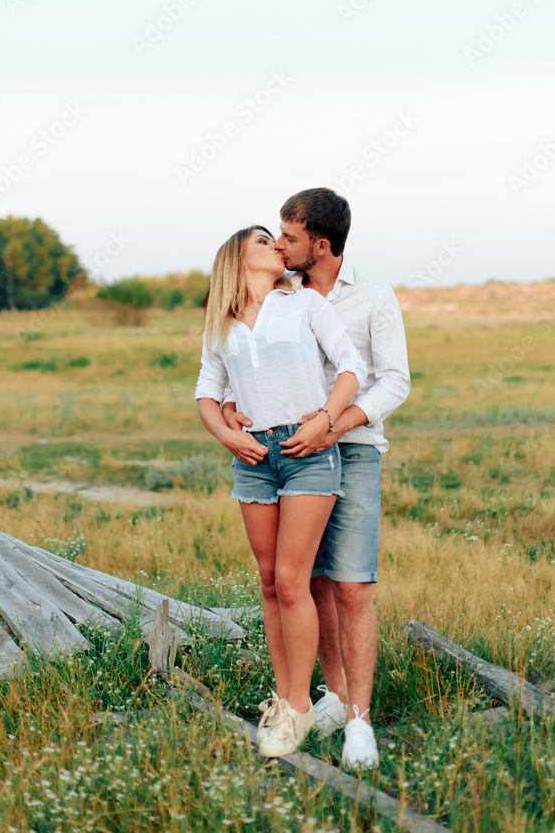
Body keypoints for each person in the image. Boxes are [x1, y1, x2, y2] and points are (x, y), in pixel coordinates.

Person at [223, 189, 410, 770]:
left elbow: (394, 382)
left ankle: (360, 720)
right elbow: (248, 369)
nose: (280, 244)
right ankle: (327, 697)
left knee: (351, 585)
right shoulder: (285, 296)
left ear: (320, 245)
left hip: (350, 450)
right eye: (275, 236)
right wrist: (230, 408)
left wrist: (333, 422)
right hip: (290, 455)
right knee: (309, 584)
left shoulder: (373, 297)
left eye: (290, 237)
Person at [194, 224, 367, 758]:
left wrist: (324, 419)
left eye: (278, 239)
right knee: (270, 584)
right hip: (251, 461)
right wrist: (226, 432)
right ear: (238, 258)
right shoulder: (220, 324)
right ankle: (286, 698)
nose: (277, 246)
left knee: (294, 582)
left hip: (306, 451)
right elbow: (207, 389)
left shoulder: (305, 304)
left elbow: (351, 368)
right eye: (264, 240)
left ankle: (296, 708)